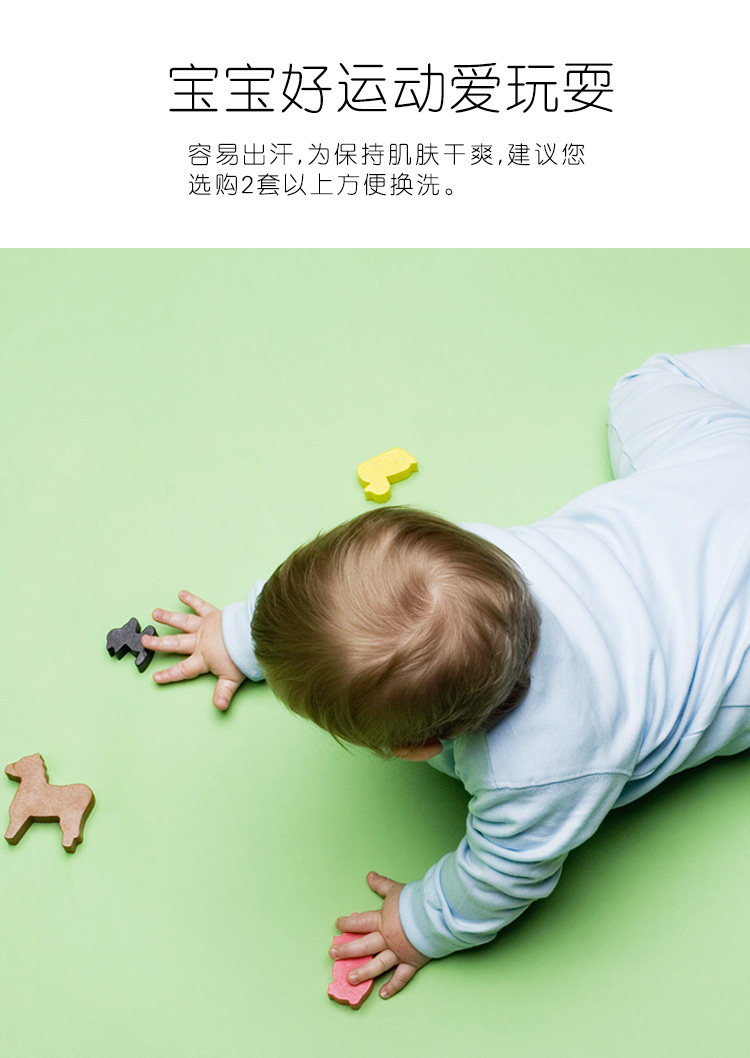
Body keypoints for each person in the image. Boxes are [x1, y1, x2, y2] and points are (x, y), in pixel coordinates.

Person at [144, 346, 750, 1000]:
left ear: (416, 748)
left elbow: (501, 877)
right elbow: (336, 596)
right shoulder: (465, 569)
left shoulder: (541, 772)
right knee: (653, 384)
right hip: (715, 473)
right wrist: (242, 634)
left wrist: (421, 924)